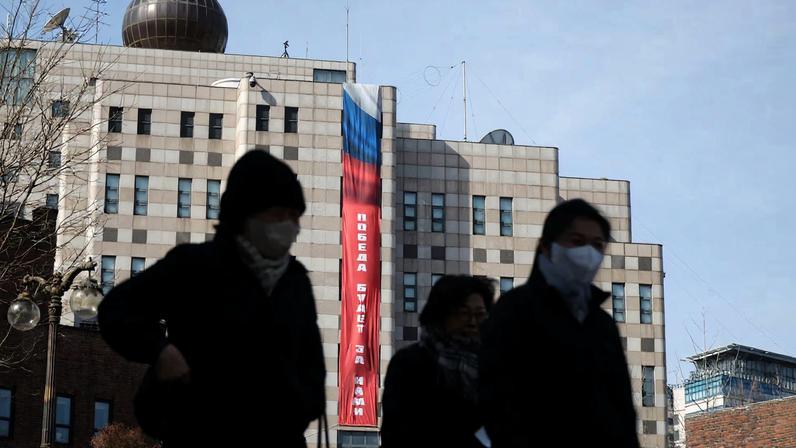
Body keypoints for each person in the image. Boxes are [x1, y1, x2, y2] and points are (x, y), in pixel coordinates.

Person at [98, 150, 325, 447]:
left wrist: (293, 404)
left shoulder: (295, 280)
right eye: (280, 213)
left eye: (295, 216)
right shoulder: (194, 266)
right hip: (200, 434)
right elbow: (116, 310)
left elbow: (312, 366)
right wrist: (161, 351)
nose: (291, 225)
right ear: (247, 212)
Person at [479, 199, 639, 447]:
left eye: (598, 245)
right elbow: (497, 400)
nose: (588, 254)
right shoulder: (514, 310)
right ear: (546, 247)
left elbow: (622, 408)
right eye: (576, 242)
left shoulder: (602, 323)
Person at [381, 275, 495, 448]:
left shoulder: (493, 366)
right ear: (440, 314)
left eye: (480, 315)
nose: (472, 322)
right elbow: (395, 433)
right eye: (464, 313)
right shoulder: (409, 363)